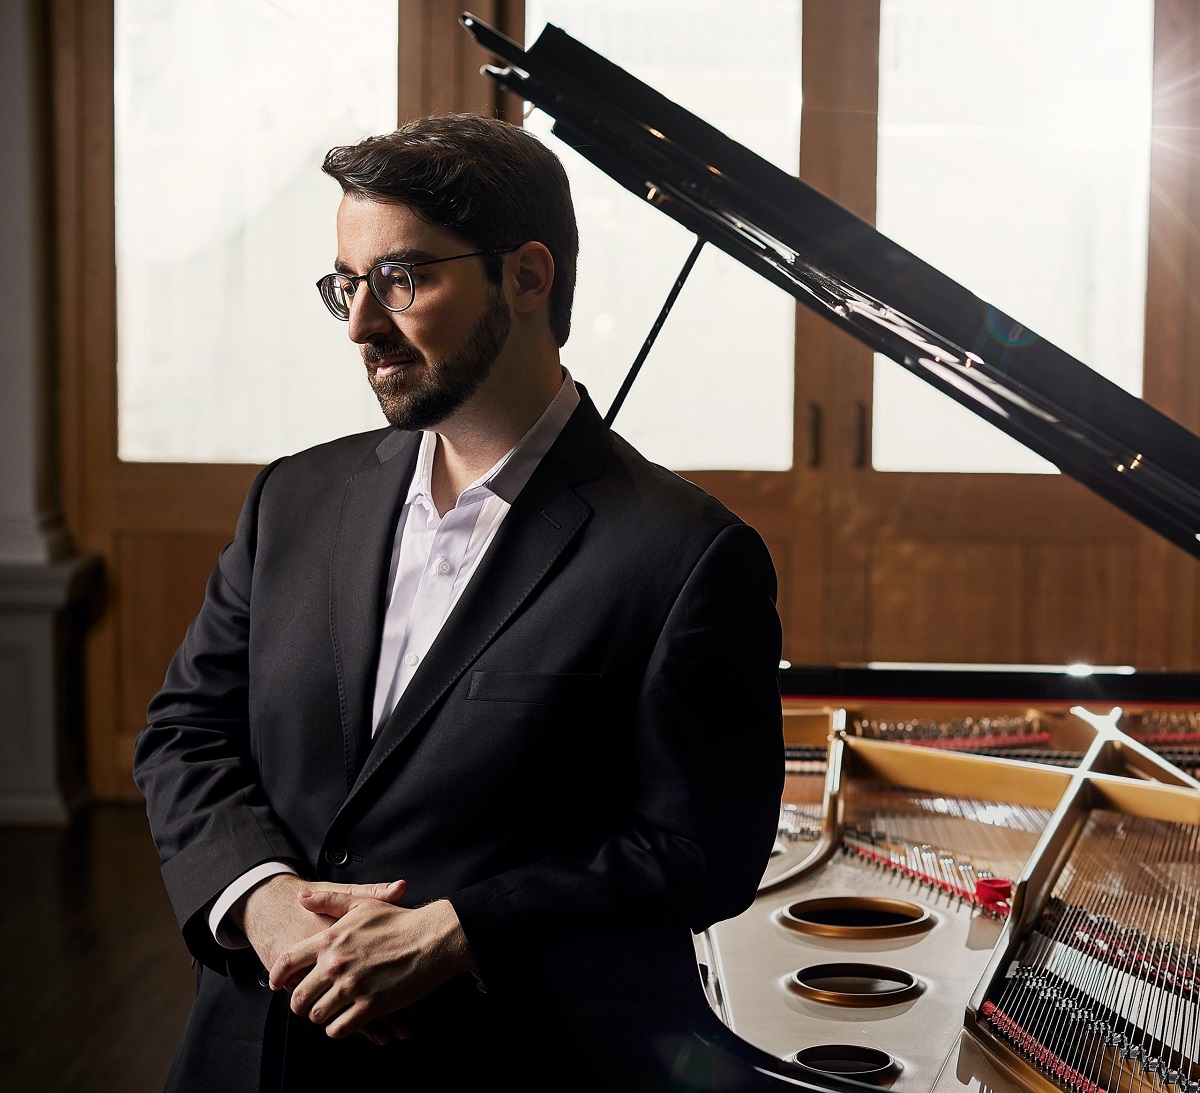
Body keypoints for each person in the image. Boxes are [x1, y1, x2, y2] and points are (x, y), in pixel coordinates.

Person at [134, 113, 784, 1092]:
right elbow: (186, 731)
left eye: (401, 278)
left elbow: (704, 852)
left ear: (526, 277)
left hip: (497, 1063)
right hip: (248, 1052)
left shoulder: (689, 554)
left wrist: (460, 929)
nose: (360, 324)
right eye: (346, 284)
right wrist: (260, 899)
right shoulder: (290, 497)